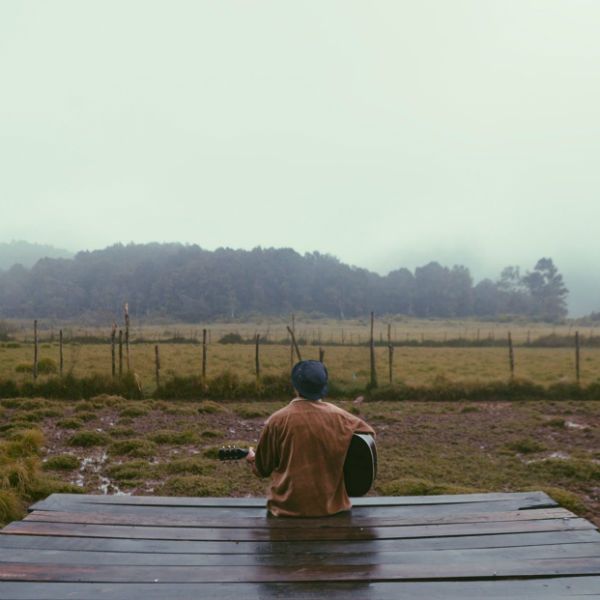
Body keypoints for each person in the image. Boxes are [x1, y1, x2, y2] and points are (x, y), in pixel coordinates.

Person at [246, 360, 375, 517]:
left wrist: (252, 458)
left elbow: (262, 469)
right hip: (333, 509)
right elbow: (368, 436)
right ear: (323, 386)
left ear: (295, 387)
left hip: (286, 511)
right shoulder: (343, 418)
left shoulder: (277, 420)